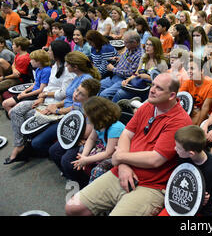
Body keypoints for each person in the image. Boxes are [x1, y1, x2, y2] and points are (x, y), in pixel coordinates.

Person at [65, 73, 192, 216]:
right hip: (122, 170)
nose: (152, 90)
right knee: (72, 207)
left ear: (171, 95)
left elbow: (155, 159)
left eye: (159, 88)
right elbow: (126, 134)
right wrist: (123, 165)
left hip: (151, 185)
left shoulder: (180, 121)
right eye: (153, 85)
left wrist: (120, 158)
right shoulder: (147, 106)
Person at [5, 41, 74, 164]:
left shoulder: (68, 69)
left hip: (55, 103)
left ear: (57, 53)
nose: (48, 52)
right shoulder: (55, 66)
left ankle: (25, 147)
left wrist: (45, 94)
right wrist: (41, 97)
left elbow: (63, 93)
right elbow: (49, 86)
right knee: (15, 111)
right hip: (45, 100)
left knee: (24, 117)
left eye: (50, 50)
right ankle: (20, 145)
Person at [50, 97, 125, 188]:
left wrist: (86, 160)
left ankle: (91, 190)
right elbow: (91, 139)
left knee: (97, 171)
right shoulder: (99, 123)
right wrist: (84, 156)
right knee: (74, 156)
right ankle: (82, 184)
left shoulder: (115, 128)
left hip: (115, 153)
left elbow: (108, 153)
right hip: (103, 146)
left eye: (88, 115)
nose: (86, 118)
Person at [172, 125, 212, 216]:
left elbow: (210, 198)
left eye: (178, 148)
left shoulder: (211, 169)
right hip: (180, 203)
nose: (175, 149)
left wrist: (201, 198)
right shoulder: (183, 157)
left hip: (203, 210)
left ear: (191, 153)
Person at [2, 49, 51, 114]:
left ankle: (15, 118)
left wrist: (25, 95)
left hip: (37, 95)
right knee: (5, 103)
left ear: (38, 61)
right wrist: (24, 91)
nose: (30, 62)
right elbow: (34, 84)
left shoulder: (46, 71)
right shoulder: (38, 69)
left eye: (32, 60)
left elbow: (41, 89)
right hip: (32, 91)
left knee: (13, 111)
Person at [98, 31, 144, 100]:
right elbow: (126, 59)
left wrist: (113, 69)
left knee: (104, 94)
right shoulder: (130, 48)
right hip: (115, 76)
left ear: (134, 42)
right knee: (97, 86)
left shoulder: (140, 55)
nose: (124, 44)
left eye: (125, 42)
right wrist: (119, 59)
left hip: (123, 80)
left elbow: (131, 73)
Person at [179, 59, 212, 126]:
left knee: (197, 112)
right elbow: (179, 99)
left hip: (209, 115)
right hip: (194, 111)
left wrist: (198, 126)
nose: (189, 71)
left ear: (201, 70)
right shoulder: (187, 82)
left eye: (192, 68)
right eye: (188, 68)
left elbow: (205, 108)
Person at [0, 37, 31, 103]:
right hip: (14, 76)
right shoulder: (19, 54)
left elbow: (17, 75)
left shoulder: (24, 58)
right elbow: (13, 64)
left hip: (19, 80)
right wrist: (14, 69)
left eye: (13, 44)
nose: (12, 46)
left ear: (19, 47)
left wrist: (4, 78)